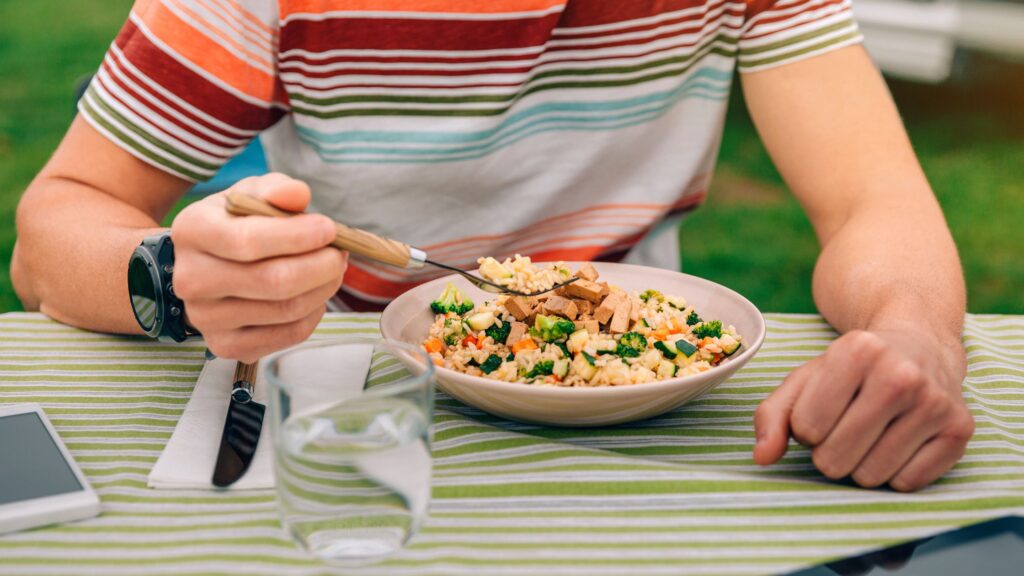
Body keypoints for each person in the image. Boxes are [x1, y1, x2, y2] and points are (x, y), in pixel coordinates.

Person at [11, 0, 974, 491]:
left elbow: (871, 198)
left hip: (662, 417)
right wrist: (174, 282)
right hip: (361, 422)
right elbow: (57, 226)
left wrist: (914, 328)